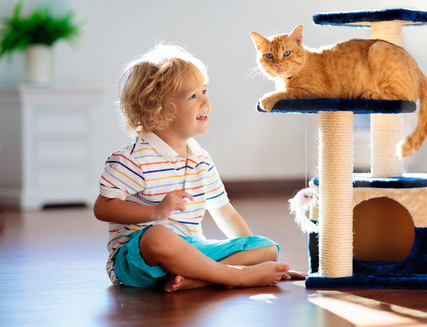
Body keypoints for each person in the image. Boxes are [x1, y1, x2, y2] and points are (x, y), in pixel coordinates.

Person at [94, 44, 300, 292]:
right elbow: (103, 208)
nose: (206, 100)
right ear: (159, 114)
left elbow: (224, 212)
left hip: (192, 248)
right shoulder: (133, 160)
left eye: (204, 91)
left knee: (266, 248)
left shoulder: (200, 159)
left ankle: (197, 278)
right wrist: (156, 213)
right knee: (158, 236)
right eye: (193, 96)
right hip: (137, 259)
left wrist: (253, 251)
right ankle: (235, 276)